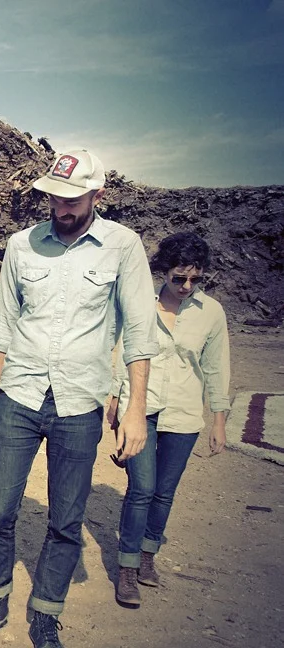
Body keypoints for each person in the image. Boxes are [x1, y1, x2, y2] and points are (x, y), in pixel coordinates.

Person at [0, 150, 159, 648]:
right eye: (54, 197)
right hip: (19, 396)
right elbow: (4, 326)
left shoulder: (122, 246)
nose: (61, 207)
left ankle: (46, 613)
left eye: (72, 198)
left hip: (80, 404)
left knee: (66, 519)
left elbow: (138, 330)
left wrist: (135, 409)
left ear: (98, 195)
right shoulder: (21, 245)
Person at [107, 232, 229, 607]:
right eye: (179, 278)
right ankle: (127, 568)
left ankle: (147, 555)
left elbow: (216, 367)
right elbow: (120, 347)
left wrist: (219, 419)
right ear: (165, 272)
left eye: (195, 279)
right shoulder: (141, 303)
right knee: (141, 488)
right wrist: (113, 397)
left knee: (163, 492)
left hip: (184, 413)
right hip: (140, 410)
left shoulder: (211, 313)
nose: (187, 286)